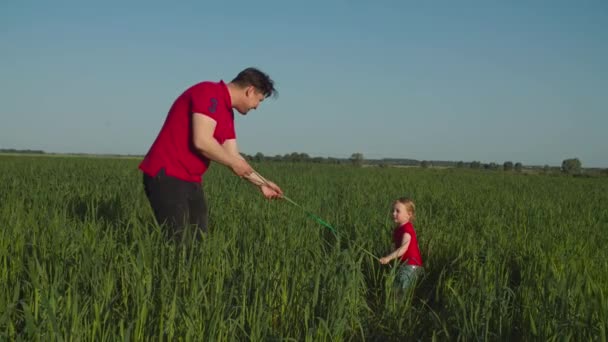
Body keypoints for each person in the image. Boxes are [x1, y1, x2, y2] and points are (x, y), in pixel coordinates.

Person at [139, 67, 283, 239]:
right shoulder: (208, 92)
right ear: (249, 91)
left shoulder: (228, 113)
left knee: (199, 240)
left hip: (191, 179)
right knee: (178, 243)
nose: (257, 107)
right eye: (259, 100)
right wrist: (233, 163)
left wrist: (262, 183)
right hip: (166, 175)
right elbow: (202, 141)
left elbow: (233, 156)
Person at [379, 197, 423, 289]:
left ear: (408, 214)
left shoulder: (407, 229)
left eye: (397, 211)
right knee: (398, 283)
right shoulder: (398, 229)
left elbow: (403, 248)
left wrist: (389, 258)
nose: (393, 213)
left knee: (400, 286)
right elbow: (394, 246)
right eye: (393, 210)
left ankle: (398, 302)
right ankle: (397, 301)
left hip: (411, 265)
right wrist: (389, 254)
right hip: (404, 264)